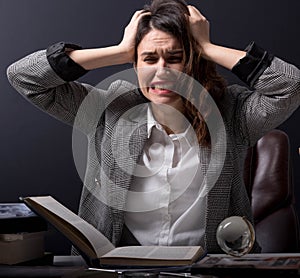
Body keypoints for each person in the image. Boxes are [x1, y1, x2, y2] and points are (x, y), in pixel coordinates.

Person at [7, 0, 300, 254]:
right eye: (149, 59)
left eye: (175, 59)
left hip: (208, 269)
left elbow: (291, 85)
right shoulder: (109, 110)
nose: (161, 72)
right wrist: (120, 51)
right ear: (134, 65)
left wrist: (207, 47)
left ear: (194, 64)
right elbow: (25, 77)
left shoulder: (233, 116)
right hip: (118, 270)